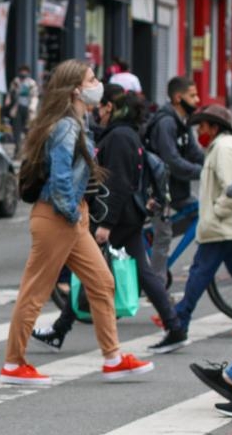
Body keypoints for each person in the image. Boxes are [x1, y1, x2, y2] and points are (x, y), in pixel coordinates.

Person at [1, 59, 153, 385]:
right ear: (75, 90)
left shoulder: (77, 121)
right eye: (92, 80)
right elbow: (60, 180)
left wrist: (78, 215)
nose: (98, 84)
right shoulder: (67, 126)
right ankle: (13, 364)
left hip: (72, 217)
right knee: (35, 292)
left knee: (102, 282)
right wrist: (72, 214)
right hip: (59, 217)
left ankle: (113, 358)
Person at [31, 84, 188, 354]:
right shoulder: (125, 134)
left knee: (90, 271)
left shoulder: (119, 137)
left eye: (101, 108)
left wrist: (106, 224)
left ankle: (60, 329)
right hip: (127, 216)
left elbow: (118, 183)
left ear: (110, 108)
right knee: (131, 272)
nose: (97, 113)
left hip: (117, 218)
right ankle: (174, 327)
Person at [169, 105, 232, 332]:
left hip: (222, 226)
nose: (199, 132)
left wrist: (217, 212)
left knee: (199, 272)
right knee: (203, 271)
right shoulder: (220, 147)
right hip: (225, 228)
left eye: (202, 126)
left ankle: (179, 320)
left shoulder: (224, 149)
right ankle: (179, 318)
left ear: (214, 128)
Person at [145, 76, 203, 284]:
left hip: (177, 190)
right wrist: (204, 172)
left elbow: (195, 153)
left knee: (200, 212)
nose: (197, 100)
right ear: (178, 98)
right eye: (192, 95)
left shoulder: (183, 122)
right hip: (158, 190)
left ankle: (150, 235)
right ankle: (157, 287)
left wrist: (214, 164)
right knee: (163, 237)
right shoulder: (166, 122)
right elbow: (172, 161)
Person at [4, 65, 39, 156]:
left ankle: (27, 150)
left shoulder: (31, 83)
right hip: (17, 107)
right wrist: (8, 99)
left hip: (28, 108)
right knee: (17, 129)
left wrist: (32, 107)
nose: (23, 73)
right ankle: (18, 149)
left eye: (25, 71)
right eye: (22, 71)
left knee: (28, 129)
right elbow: (10, 92)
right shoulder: (16, 81)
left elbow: (35, 96)